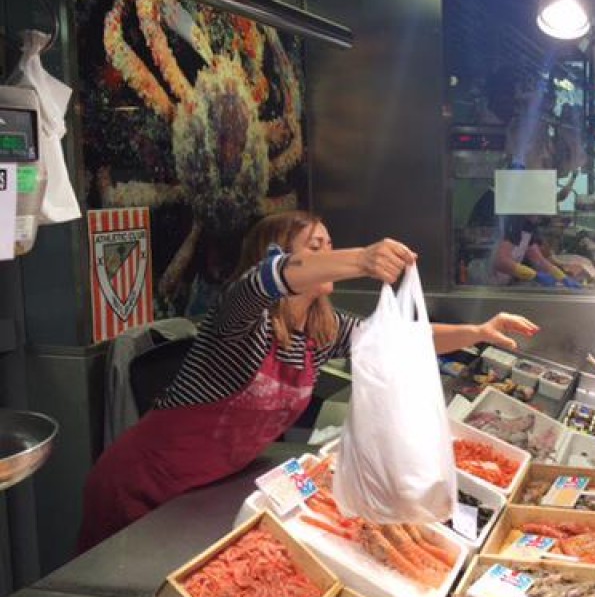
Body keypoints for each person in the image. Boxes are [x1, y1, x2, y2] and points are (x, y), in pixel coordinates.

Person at [78, 210, 540, 551]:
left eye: (330, 244)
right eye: (316, 246)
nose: (329, 255)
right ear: (280, 258)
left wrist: (478, 334)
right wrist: (361, 258)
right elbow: (263, 282)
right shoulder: (239, 319)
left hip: (208, 490)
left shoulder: (320, 329)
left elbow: (399, 339)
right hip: (140, 485)